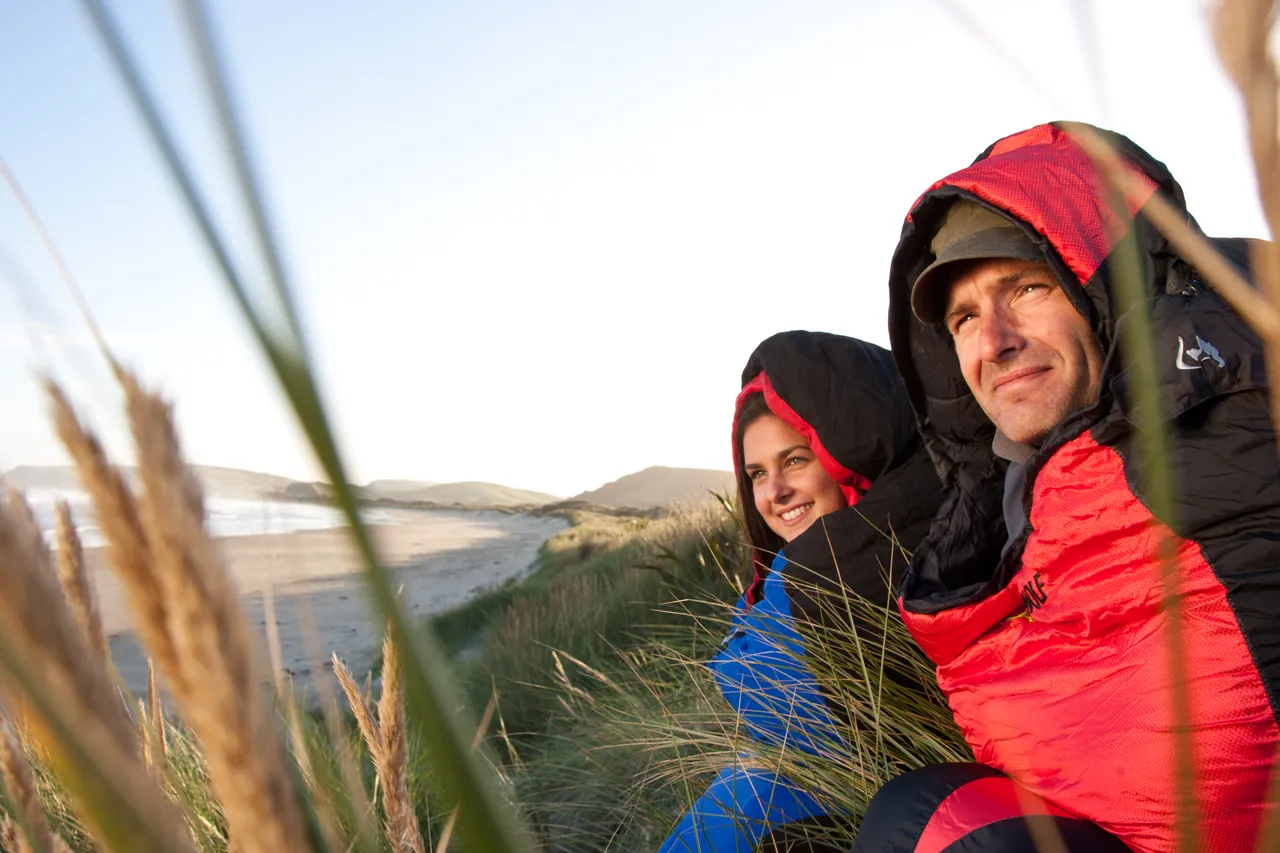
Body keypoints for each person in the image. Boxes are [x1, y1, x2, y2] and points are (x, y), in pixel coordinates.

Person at [854, 121, 1280, 852]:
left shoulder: (1242, 403)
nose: (993, 341)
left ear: (1100, 285)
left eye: (1025, 287)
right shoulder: (999, 517)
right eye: (963, 318)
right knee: (919, 815)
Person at [659, 330, 943, 852]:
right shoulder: (800, 578)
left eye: (795, 460)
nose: (774, 493)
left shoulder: (889, 571)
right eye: (757, 474)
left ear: (849, 454)